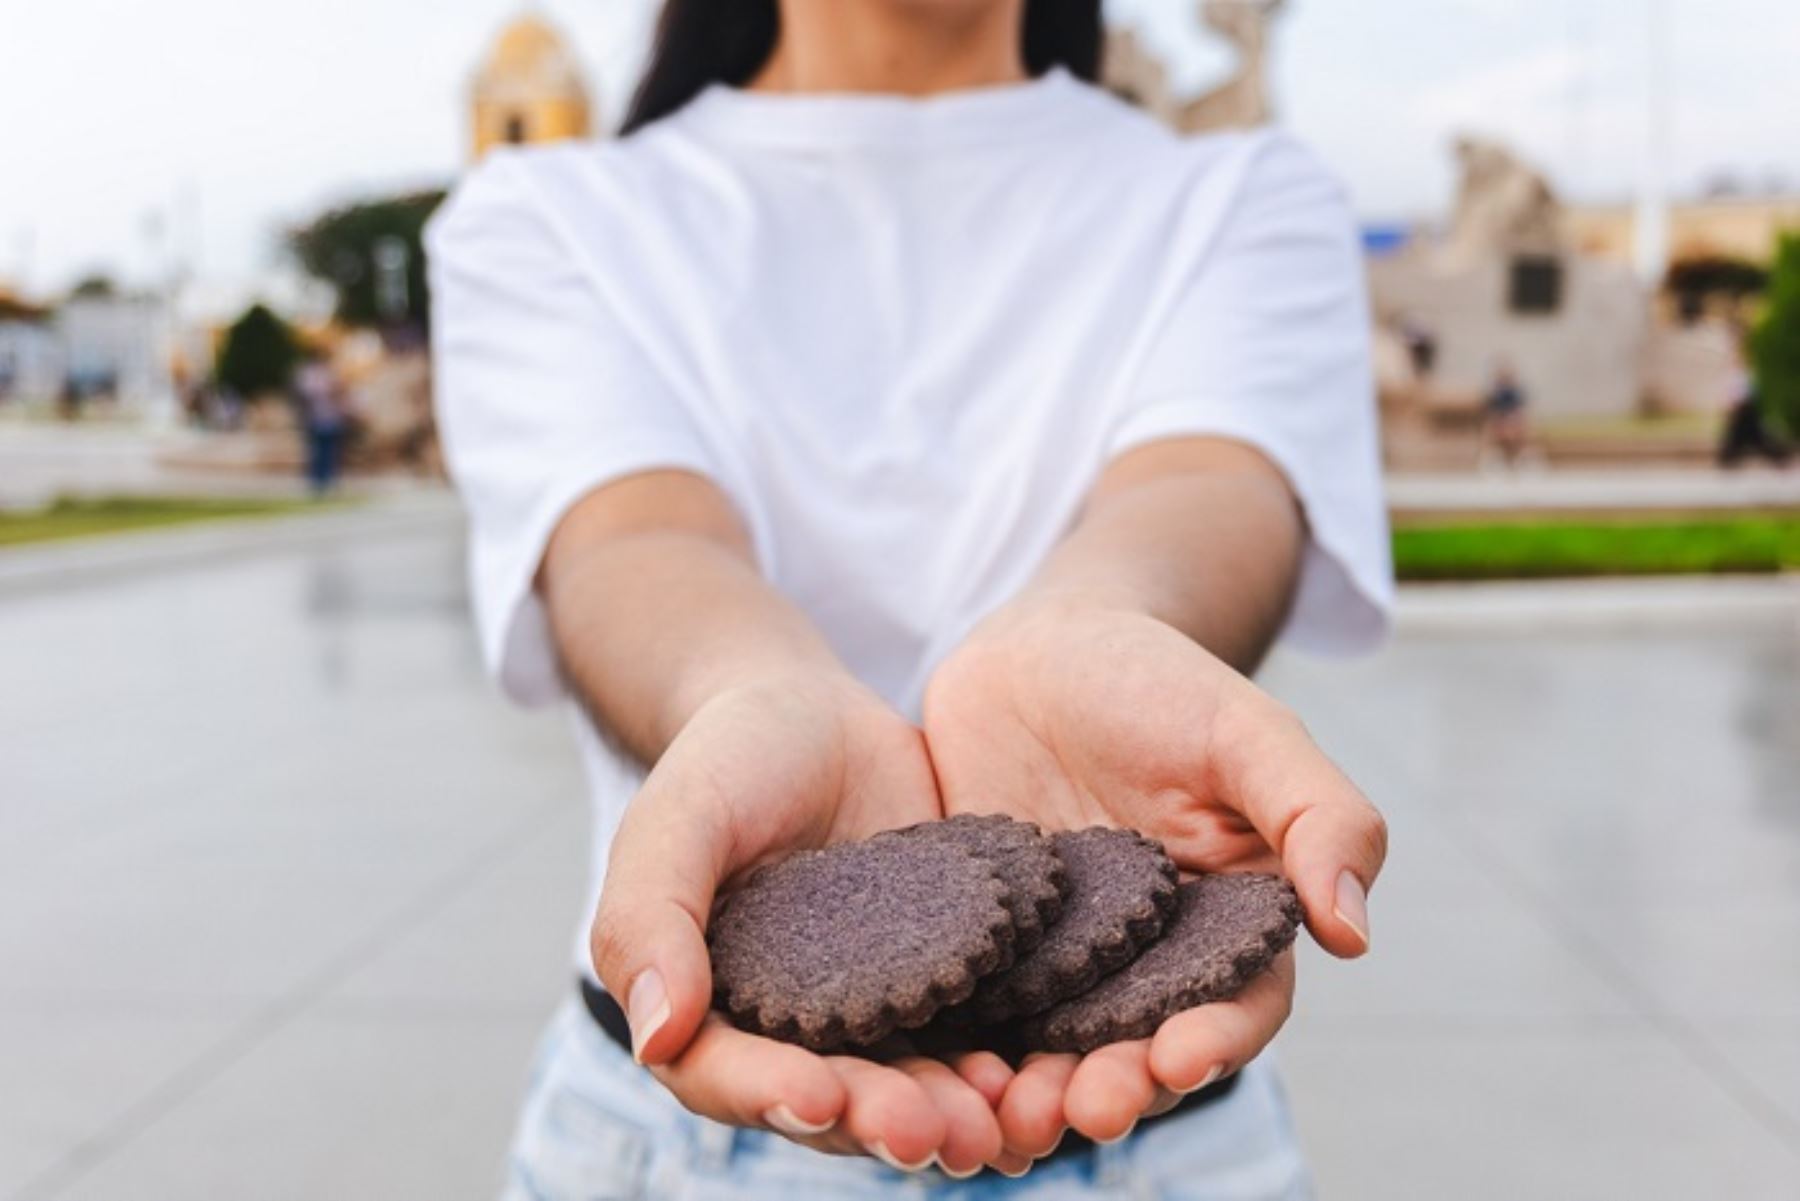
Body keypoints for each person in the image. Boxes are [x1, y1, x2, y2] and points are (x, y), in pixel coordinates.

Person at [429, 1, 1392, 1196]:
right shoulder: (545, 215)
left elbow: (1208, 479)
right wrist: (757, 694)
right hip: (680, 1134)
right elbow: (635, 536)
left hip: (1164, 1119)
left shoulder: (1241, 191)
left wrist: (1088, 633)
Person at [292, 347, 348, 496]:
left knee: (330, 450)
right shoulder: (308, 374)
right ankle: (316, 481)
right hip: (315, 418)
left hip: (331, 417)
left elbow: (339, 391)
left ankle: (328, 479)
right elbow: (304, 395)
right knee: (316, 450)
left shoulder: (330, 373)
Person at [1481, 360, 1529, 468]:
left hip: (1512, 422)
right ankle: (1503, 457)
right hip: (1500, 422)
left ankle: (1515, 457)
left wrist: (1514, 420)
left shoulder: (1516, 391)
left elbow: (1519, 410)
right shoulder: (1496, 393)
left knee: (1514, 430)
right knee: (1502, 430)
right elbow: (1491, 411)